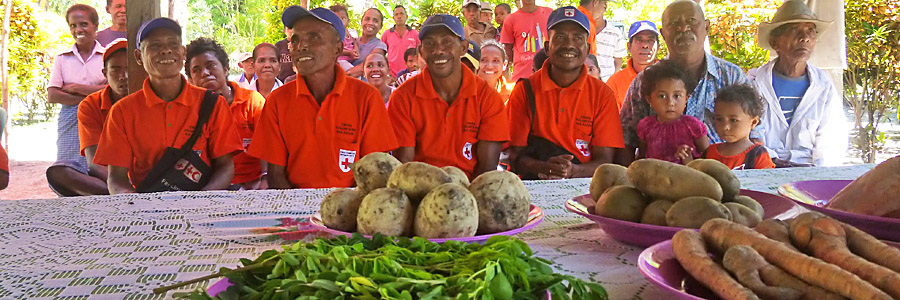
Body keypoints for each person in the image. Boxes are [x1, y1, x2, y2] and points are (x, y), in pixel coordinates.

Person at [248, 6, 398, 189]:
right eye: (295, 40)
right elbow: (276, 173)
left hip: (351, 206)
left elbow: (375, 172)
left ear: (338, 48)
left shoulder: (366, 98)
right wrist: (297, 213)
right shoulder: (277, 101)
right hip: (294, 207)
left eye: (314, 37)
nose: (301, 46)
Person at [94, 18, 243, 194]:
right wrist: (136, 207)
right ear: (138, 57)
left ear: (183, 52)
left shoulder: (213, 104)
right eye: (155, 46)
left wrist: (199, 203)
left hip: (202, 205)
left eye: (173, 43)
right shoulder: (122, 111)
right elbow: (117, 177)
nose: (165, 50)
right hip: (147, 207)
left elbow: (225, 167)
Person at [618, 0, 758, 165]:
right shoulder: (644, 81)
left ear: (706, 27)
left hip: (721, 175)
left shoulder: (731, 76)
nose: (683, 28)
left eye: (691, 21)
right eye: (674, 23)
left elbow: (754, 134)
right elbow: (626, 140)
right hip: (657, 179)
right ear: (663, 34)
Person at [507, 7, 623, 180]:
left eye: (577, 38)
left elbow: (606, 161)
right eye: (560, 37)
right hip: (535, 185)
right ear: (547, 47)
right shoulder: (525, 90)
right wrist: (542, 167)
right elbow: (514, 155)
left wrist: (573, 171)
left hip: (586, 188)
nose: (569, 45)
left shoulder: (602, 94)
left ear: (587, 48)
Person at [388, 14, 509, 179]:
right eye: (430, 43)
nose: (438, 50)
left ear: (463, 48)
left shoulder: (488, 98)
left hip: (471, 193)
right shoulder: (403, 97)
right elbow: (404, 168)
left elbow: (487, 171)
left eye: (447, 41)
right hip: (420, 191)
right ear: (421, 52)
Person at [749, 0, 847, 167]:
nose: (805, 38)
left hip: (810, 169)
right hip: (764, 166)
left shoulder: (823, 85)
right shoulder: (754, 82)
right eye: (794, 30)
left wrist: (819, 174)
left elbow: (832, 139)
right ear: (775, 43)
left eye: (811, 31)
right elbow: (747, 133)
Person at [186, 37, 268, 190]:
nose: (204, 73)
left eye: (211, 65)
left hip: (253, 185)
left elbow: (268, 147)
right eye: (196, 70)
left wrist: (265, 179)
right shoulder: (188, 112)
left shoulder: (252, 102)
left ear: (225, 69)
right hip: (210, 188)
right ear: (190, 80)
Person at [46, 4, 107, 197]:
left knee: (99, 163)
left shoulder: (107, 56)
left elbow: (113, 91)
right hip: (70, 119)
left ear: (95, 26)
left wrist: (76, 88)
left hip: (102, 115)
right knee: (68, 164)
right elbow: (53, 95)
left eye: (84, 24)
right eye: (73, 26)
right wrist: (96, 92)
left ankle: (106, 199)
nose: (78, 30)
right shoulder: (62, 58)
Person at [71, 39, 128, 196]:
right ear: (105, 73)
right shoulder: (90, 105)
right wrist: (120, 184)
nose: (124, 76)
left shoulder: (149, 98)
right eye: (116, 70)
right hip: (108, 176)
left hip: (147, 175)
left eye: (130, 69)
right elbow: (94, 163)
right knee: (60, 172)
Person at [636, 61, 708, 164]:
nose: (670, 103)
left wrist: (689, 159)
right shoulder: (645, 126)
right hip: (654, 177)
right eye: (662, 96)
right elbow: (642, 157)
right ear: (649, 100)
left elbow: (708, 157)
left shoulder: (693, 126)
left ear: (686, 99)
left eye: (677, 96)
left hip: (688, 177)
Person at [696, 84, 775, 170]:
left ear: (753, 122)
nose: (725, 127)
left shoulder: (758, 155)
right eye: (719, 119)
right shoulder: (710, 153)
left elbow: (768, 181)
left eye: (733, 120)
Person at [607, 20, 659, 108]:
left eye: (650, 40)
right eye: (639, 40)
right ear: (629, 47)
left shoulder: (669, 77)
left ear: (658, 47)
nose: (645, 45)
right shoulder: (615, 82)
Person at [500, 0, 552, 81]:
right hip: (522, 77)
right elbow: (507, 49)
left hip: (549, 75)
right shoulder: (511, 19)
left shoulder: (549, 13)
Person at [348, 8, 388, 78]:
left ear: (380, 26)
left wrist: (341, 77)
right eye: (367, 19)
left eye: (375, 21)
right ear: (361, 21)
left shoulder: (380, 46)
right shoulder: (353, 41)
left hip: (364, 87)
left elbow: (363, 67)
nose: (370, 23)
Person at [592, 0, 626, 81]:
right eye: (603, 3)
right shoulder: (580, 29)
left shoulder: (615, 32)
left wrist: (610, 78)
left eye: (606, 3)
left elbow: (618, 59)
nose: (605, 6)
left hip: (606, 84)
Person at [382, 5, 420, 77]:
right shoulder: (386, 34)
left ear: (407, 16)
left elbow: (421, 54)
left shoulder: (415, 34)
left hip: (411, 75)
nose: (399, 16)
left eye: (401, 13)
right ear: (393, 18)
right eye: (396, 14)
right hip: (392, 76)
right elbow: (381, 55)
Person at [477, 40, 514, 104]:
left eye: (496, 61)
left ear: (504, 65)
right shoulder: (466, 89)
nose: (490, 66)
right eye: (483, 60)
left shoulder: (513, 91)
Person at [331, 4, 359, 71]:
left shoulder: (349, 33)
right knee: (354, 73)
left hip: (349, 61)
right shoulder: (334, 34)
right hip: (340, 60)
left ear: (348, 21)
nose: (340, 22)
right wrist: (349, 53)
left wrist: (355, 50)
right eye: (336, 19)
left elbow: (354, 43)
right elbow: (333, 49)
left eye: (343, 18)